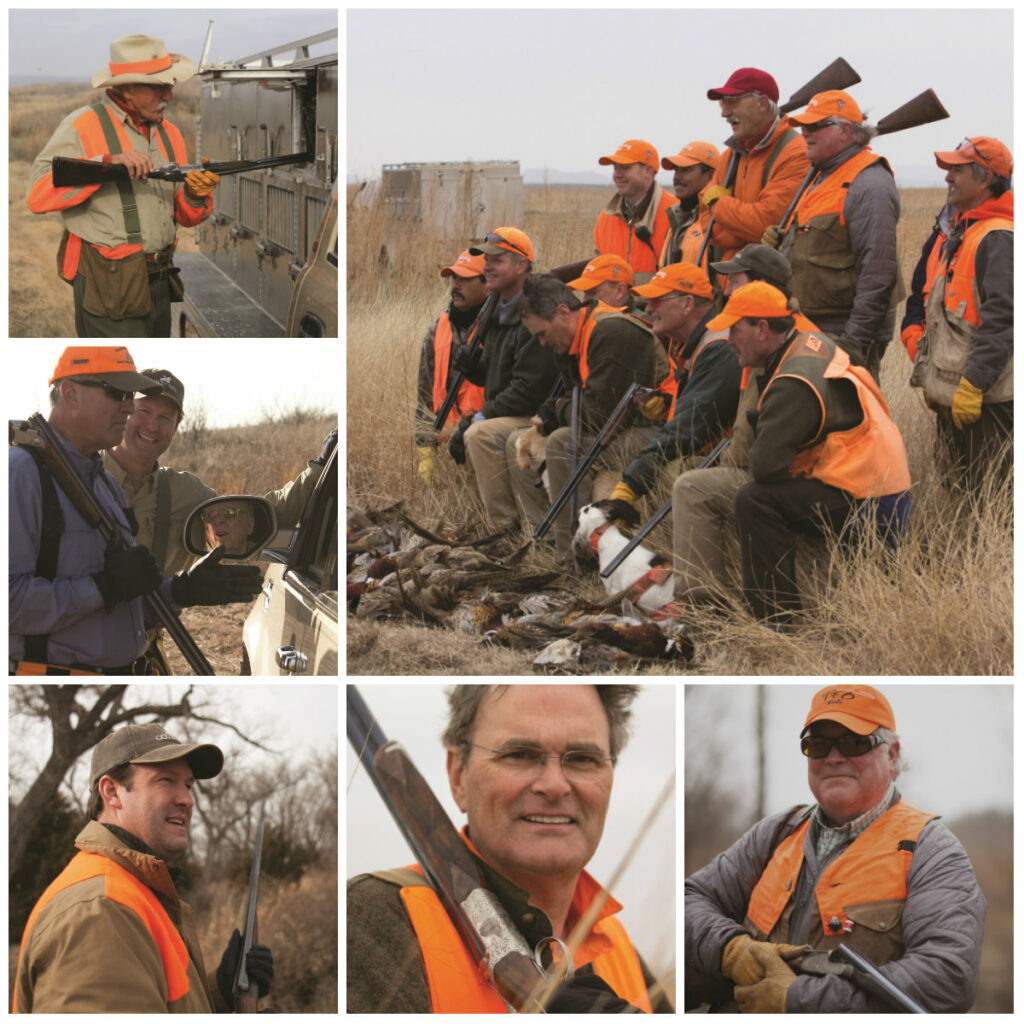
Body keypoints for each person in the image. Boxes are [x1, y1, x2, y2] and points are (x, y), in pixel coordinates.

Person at [347, 684, 673, 1013]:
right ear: (458, 774)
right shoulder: (374, 921)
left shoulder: (619, 951)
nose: (555, 785)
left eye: (583, 759)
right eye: (520, 755)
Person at [685, 684, 985, 1013]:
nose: (833, 757)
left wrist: (799, 999)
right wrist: (731, 949)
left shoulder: (930, 850)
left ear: (892, 754)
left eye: (854, 742)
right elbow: (690, 900)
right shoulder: (777, 833)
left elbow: (947, 977)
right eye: (817, 744)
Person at [9, 347, 263, 675]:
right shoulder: (19, 474)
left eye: (130, 395)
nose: (128, 406)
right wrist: (102, 587)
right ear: (70, 393)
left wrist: (182, 590)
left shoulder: (102, 485)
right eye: (117, 393)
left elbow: (122, 604)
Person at [13, 722, 274, 1012]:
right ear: (112, 792)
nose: (187, 800)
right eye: (165, 780)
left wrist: (221, 991)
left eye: (188, 785)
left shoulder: (134, 893)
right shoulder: (101, 911)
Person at [706, 283, 911, 624]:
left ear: (763, 330)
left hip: (872, 503)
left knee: (754, 500)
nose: (728, 340)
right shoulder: (811, 343)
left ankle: (776, 620)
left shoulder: (791, 381)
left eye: (734, 330)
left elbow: (765, 468)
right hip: (884, 486)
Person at [27, 35, 218, 338]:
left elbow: (183, 216)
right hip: (109, 283)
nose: (169, 96)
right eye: (159, 87)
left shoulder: (170, 134)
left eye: (169, 86)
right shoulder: (82, 125)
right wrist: (106, 163)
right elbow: (37, 196)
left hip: (162, 277)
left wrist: (195, 196)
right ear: (128, 89)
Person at [669, 247, 823, 606]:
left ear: (763, 290)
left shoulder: (774, 349)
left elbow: (753, 455)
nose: (726, 291)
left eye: (736, 282)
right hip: (809, 476)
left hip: (812, 480)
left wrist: (722, 471)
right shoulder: (786, 336)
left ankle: (702, 606)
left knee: (692, 487)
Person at [103, 369, 332, 577]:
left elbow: (262, 517)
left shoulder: (186, 493)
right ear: (125, 412)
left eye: (165, 418)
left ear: (175, 428)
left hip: (147, 622)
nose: (153, 426)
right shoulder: (80, 473)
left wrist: (320, 467)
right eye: (145, 411)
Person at [508, 275, 670, 552]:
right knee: (522, 438)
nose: (543, 344)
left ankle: (572, 553)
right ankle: (543, 543)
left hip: (658, 435)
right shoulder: (576, 339)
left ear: (563, 313)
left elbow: (596, 417)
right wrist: (555, 410)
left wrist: (556, 410)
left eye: (543, 334)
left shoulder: (610, 332)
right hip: (624, 430)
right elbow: (582, 403)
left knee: (562, 442)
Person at [762, 91, 902, 379]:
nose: (805, 134)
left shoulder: (869, 182)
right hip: (813, 326)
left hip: (843, 331)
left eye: (815, 127)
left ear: (845, 131)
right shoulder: (821, 174)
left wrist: (853, 343)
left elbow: (878, 272)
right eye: (804, 127)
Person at [909, 137, 1013, 496]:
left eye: (957, 170)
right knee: (959, 492)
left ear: (985, 180)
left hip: (988, 403)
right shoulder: (966, 231)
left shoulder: (998, 237)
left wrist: (974, 385)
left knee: (991, 502)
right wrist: (933, 375)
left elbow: (1004, 320)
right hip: (960, 398)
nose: (948, 178)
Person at [606, 262, 741, 513]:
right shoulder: (694, 342)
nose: (648, 308)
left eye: (657, 301)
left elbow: (689, 429)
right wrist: (665, 404)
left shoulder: (718, 347)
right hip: (711, 449)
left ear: (688, 304)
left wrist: (631, 485)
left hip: (730, 458)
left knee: (673, 474)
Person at [451, 227, 558, 528]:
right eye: (486, 259)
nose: (487, 266)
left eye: (497, 260)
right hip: (516, 411)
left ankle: (504, 528)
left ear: (522, 266)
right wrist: (472, 366)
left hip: (536, 413)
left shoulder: (535, 311)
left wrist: (480, 417)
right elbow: (494, 376)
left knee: (479, 434)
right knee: (478, 430)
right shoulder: (499, 307)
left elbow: (529, 389)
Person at [701, 68, 810, 264]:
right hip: (729, 284)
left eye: (732, 101)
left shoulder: (796, 152)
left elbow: (766, 224)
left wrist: (718, 203)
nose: (724, 113)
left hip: (767, 287)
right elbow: (708, 227)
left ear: (761, 103)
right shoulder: (731, 155)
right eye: (722, 102)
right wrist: (744, 231)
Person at [415, 250, 489, 485]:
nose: (456, 285)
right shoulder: (438, 328)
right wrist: (426, 452)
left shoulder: (497, 328)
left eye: (465, 279)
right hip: (448, 444)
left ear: (488, 284)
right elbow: (424, 397)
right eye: (454, 278)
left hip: (483, 439)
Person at [593, 139, 678, 281]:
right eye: (615, 168)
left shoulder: (676, 214)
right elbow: (598, 275)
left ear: (648, 171)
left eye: (625, 168)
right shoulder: (606, 218)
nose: (617, 175)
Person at [658, 141, 720, 268]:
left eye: (686, 170)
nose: (677, 177)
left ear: (711, 175)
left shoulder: (718, 220)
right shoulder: (676, 220)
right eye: (676, 170)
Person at [565, 254, 637, 311]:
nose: (584, 300)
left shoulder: (635, 326)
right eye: (585, 293)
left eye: (593, 293)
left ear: (620, 291)